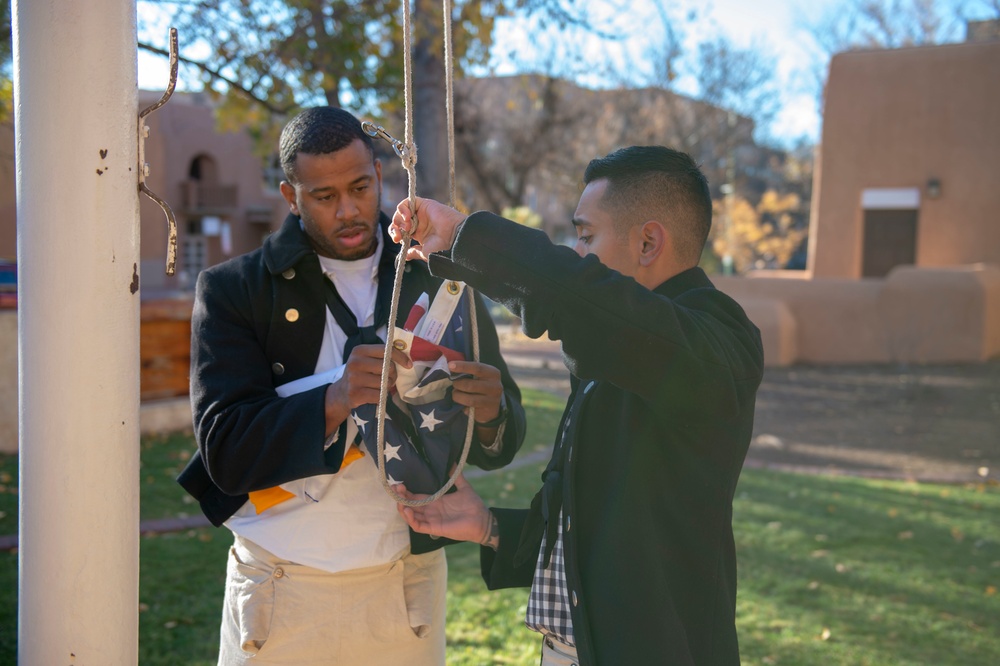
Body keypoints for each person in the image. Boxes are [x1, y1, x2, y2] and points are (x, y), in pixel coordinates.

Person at [176, 106, 526, 665]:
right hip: (277, 585)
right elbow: (226, 450)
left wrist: (492, 413)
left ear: (380, 176)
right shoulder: (233, 289)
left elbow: (500, 436)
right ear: (291, 196)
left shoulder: (438, 273)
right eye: (323, 196)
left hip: (405, 585)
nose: (348, 209)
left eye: (361, 186)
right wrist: (335, 400)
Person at [389, 145, 764, 666]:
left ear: (649, 241)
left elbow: (587, 299)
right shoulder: (617, 347)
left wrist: (464, 238)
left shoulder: (717, 343)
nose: (576, 252)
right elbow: (607, 528)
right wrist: (489, 527)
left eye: (585, 236)